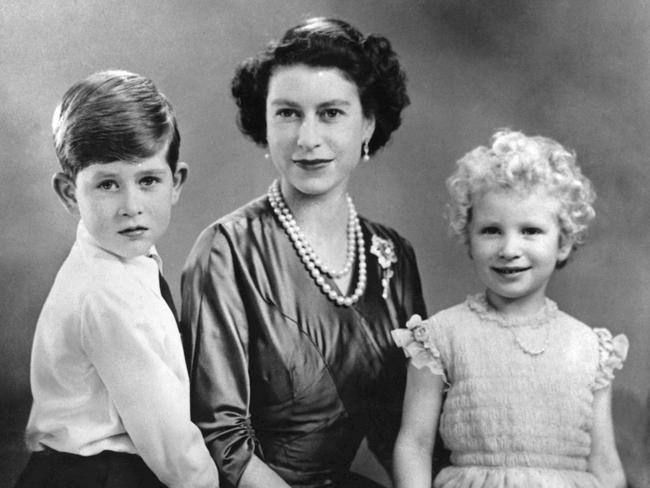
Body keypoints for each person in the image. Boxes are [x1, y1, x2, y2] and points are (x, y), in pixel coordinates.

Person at [181, 17, 441, 488]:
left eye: (330, 113)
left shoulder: (392, 256)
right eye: (287, 112)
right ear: (264, 122)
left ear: (369, 124)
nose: (307, 138)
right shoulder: (226, 250)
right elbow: (219, 441)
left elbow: (404, 429)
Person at [15, 70, 219, 488]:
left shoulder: (124, 264)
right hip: (96, 475)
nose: (132, 206)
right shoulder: (109, 294)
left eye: (148, 180)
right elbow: (174, 453)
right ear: (70, 193)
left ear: (175, 181)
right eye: (107, 184)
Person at [392, 129, 628, 488]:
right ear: (467, 236)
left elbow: (605, 461)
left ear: (562, 243)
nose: (509, 248)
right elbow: (415, 443)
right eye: (491, 230)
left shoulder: (589, 348)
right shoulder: (440, 337)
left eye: (530, 230)